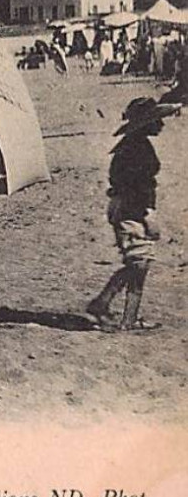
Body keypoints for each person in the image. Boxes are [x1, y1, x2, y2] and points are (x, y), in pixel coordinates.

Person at [85, 96, 179, 331]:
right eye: (157, 119)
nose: (162, 124)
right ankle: (114, 312)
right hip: (131, 208)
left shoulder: (133, 146)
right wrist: (147, 213)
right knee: (139, 263)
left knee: (139, 262)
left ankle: (114, 311)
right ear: (146, 123)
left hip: (128, 206)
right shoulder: (136, 150)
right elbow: (134, 185)